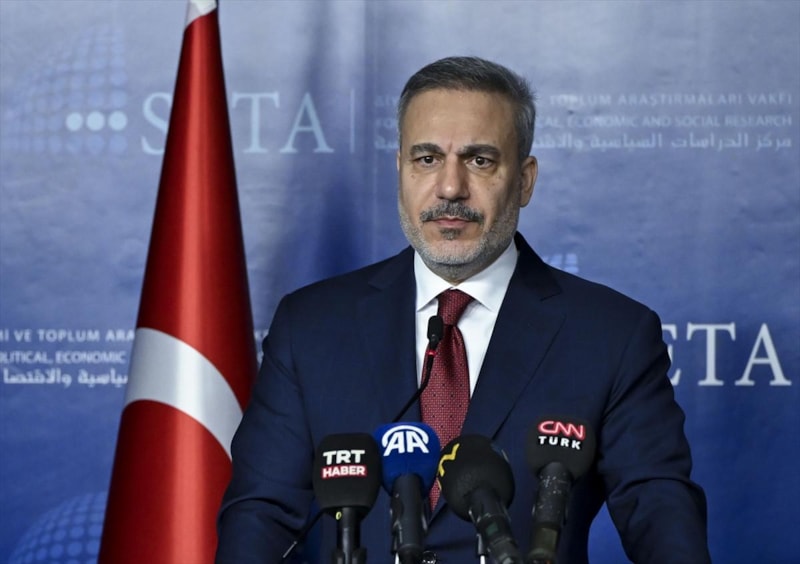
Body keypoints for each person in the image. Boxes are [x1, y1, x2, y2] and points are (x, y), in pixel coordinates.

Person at [216, 56, 710, 563]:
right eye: (427, 158)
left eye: (479, 160)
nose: (450, 188)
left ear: (525, 180)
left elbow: (660, 513)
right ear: (400, 170)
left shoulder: (611, 335)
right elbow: (261, 517)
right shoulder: (311, 327)